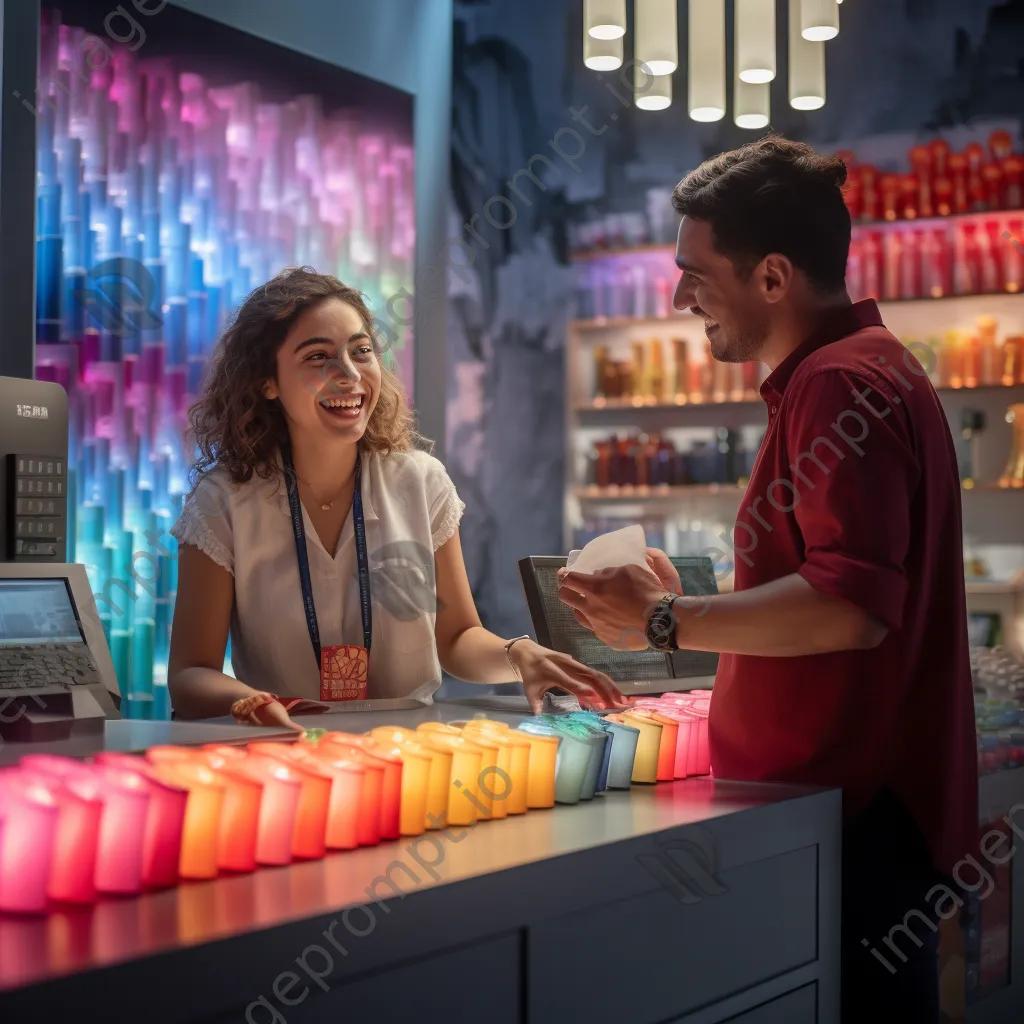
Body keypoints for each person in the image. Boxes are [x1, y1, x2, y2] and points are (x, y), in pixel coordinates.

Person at [558, 137, 977, 1021]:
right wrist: (684, 604)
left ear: (775, 278)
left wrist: (667, 618)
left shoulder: (837, 383)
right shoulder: (865, 368)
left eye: (694, 272)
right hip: (855, 812)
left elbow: (850, 607)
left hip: (854, 816)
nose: (679, 296)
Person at [168, 267, 626, 729]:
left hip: (409, 754)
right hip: (288, 756)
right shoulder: (224, 502)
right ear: (267, 381)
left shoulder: (421, 483)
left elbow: (458, 638)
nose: (348, 375)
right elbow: (191, 675)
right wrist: (250, 703)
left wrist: (517, 653)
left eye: (361, 351)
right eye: (318, 357)